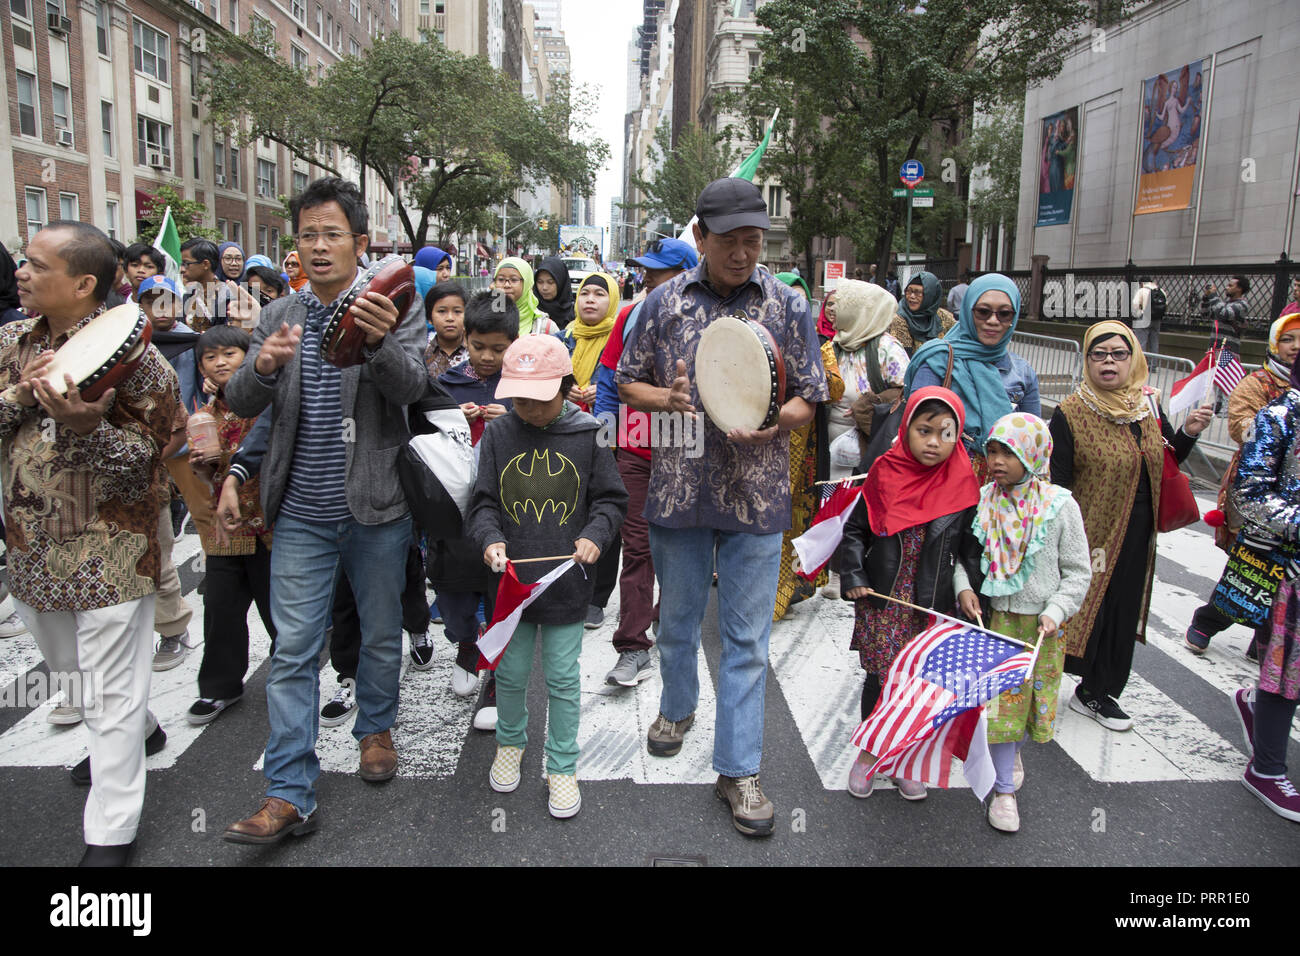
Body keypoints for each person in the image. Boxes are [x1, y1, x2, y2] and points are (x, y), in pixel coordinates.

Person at [616, 177, 829, 836]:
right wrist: (666, 400)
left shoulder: (787, 304)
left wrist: (778, 425)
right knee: (676, 622)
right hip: (678, 490)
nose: (743, 252)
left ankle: (738, 772)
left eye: (753, 240)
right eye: (730, 240)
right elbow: (625, 380)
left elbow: (810, 394)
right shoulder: (662, 304)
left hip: (757, 495)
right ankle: (677, 708)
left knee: (746, 640)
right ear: (700, 237)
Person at [222, 177, 428, 846]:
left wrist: (377, 343)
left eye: (330, 234)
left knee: (376, 630)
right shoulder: (277, 314)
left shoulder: (394, 301)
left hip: (377, 505)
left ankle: (375, 728)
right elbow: (244, 400)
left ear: (359, 242)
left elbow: (413, 387)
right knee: (292, 651)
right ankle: (288, 792)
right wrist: (266, 369)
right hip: (301, 514)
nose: (316, 246)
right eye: (306, 234)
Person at [0, 221, 179, 865]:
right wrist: (26, 396)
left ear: (83, 284)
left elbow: (153, 460)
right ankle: (146, 728)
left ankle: (111, 832)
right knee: (70, 672)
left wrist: (85, 429)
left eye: (36, 264)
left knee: (107, 693)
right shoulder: (11, 343)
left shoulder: (142, 361)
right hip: (28, 546)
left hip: (111, 550)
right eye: (23, 262)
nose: (21, 272)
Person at [470, 334, 627, 819]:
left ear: (564, 386)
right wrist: (489, 538)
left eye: (538, 399)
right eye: (518, 398)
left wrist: (596, 535)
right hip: (511, 583)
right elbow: (482, 502)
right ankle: (510, 744)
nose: (527, 408)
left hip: (566, 580)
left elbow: (610, 499)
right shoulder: (498, 434)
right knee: (510, 675)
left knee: (562, 678)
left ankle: (561, 766)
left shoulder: (589, 433)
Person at [1049, 321, 1213, 732]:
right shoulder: (1070, 414)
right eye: (1098, 354)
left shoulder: (1147, 409)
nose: (1108, 362)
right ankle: (1044, 678)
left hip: (1139, 530)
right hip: (1089, 532)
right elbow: (1056, 484)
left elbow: (1166, 457)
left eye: (1118, 354)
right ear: (1086, 360)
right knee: (1084, 608)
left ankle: (1097, 691)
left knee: (1122, 610)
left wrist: (1189, 433)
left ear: (1133, 359)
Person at [840, 386, 981, 801]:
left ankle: (904, 760)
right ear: (906, 429)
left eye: (945, 432)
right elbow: (853, 531)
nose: (934, 442)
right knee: (881, 678)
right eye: (924, 430)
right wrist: (853, 575)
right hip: (885, 600)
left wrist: (967, 589)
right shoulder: (885, 471)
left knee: (920, 687)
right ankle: (869, 754)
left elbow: (971, 548)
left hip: (931, 605)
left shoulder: (964, 480)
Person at [954, 413, 1091, 833]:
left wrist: (1056, 610)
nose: (996, 461)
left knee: (1023, 708)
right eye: (992, 451)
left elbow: (1078, 571)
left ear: (1033, 454)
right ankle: (1004, 791)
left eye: (1008, 453)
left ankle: (1010, 752)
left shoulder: (1060, 506)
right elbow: (962, 557)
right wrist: (963, 587)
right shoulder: (981, 500)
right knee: (997, 709)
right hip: (993, 622)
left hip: (1040, 630)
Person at [594, 236, 698, 686]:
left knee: (679, 555)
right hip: (634, 452)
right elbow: (607, 378)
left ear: (687, 275)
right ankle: (632, 647)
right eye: (647, 270)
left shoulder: (711, 323)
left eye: (660, 271)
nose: (649, 279)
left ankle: (666, 625)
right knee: (636, 549)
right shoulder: (629, 316)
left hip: (688, 454)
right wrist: (605, 439)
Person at [1185, 310, 1300, 659]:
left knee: (1286, 578)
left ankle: (1267, 640)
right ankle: (1209, 620)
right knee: (1250, 568)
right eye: (1288, 339)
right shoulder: (1259, 386)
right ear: (1274, 343)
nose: (1295, 347)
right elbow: (1240, 427)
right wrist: (1276, 428)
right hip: (1257, 492)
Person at [182, 324, 275, 724]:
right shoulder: (203, 416)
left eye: (229, 354)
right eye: (210, 356)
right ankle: (220, 687)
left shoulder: (270, 404)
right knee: (221, 609)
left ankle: (294, 678)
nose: (220, 363)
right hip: (228, 530)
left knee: (282, 613)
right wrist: (204, 471)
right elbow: (206, 479)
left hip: (274, 524)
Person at [432, 290, 518, 706]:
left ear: (513, 346)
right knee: (454, 590)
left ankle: (501, 675)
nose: (486, 357)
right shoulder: (445, 386)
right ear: (465, 339)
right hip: (456, 509)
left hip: (508, 508)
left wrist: (516, 421)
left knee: (501, 589)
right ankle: (467, 642)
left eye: (498, 349)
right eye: (478, 346)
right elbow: (423, 442)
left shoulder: (523, 390)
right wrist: (451, 420)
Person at [1232, 363, 1300, 822]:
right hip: (1292, 567)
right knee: (1288, 667)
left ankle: (1257, 708)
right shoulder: (1281, 415)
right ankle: (1266, 767)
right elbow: (1249, 491)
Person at [904, 273, 1040, 480]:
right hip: (944, 484)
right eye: (983, 312)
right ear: (969, 312)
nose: (993, 321)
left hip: (1002, 492)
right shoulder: (938, 360)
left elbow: (1032, 440)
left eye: (1004, 314)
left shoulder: (1023, 372)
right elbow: (919, 428)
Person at [773, 272, 843, 620]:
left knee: (801, 515)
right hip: (768, 443)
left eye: (800, 300)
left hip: (807, 448)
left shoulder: (820, 344)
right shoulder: (760, 337)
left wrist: (809, 371)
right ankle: (765, 593)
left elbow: (836, 387)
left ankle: (792, 588)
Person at [555, 272, 621, 630]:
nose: (590, 300)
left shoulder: (620, 336)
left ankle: (598, 597)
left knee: (603, 510)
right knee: (567, 511)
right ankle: (568, 585)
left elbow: (629, 381)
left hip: (606, 436)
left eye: (599, 293)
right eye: (585, 293)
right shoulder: (564, 337)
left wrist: (605, 391)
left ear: (612, 298)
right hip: (565, 435)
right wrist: (565, 391)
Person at [1202, 275, 1250, 412]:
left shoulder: (1242, 305)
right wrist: (1206, 298)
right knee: (1216, 379)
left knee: (1227, 381)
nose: (1226, 287)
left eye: (1230, 285)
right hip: (1215, 348)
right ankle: (1219, 406)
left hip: (1228, 349)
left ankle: (1228, 409)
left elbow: (1223, 313)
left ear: (1240, 289)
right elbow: (1206, 314)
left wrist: (1213, 296)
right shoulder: (1224, 303)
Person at [890, 270, 956, 355]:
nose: (912, 296)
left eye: (918, 292)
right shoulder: (900, 319)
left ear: (931, 295)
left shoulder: (943, 316)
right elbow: (904, 357)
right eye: (909, 291)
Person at [493, 257, 558, 337]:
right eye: (501, 279)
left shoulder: (543, 326)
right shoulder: (483, 320)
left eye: (513, 280)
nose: (506, 285)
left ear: (527, 283)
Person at [180, 238, 233, 333]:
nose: (182, 269)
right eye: (182, 264)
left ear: (205, 264)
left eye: (186, 264)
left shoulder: (228, 297)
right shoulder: (189, 294)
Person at [423, 281, 469, 378]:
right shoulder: (421, 352)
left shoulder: (475, 351)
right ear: (429, 318)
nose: (450, 318)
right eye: (442, 311)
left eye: (457, 311)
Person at [533, 257, 574, 331]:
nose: (544, 288)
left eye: (550, 282)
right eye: (540, 282)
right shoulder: (531, 310)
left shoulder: (575, 314)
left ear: (561, 282)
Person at [1130, 275, 1164, 353]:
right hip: (1157, 319)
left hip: (1144, 317)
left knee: (1141, 343)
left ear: (1141, 283)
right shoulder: (1160, 291)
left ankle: (1142, 364)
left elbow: (1135, 304)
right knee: (1154, 342)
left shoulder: (1142, 291)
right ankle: (1153, 364)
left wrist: (1138, 314)